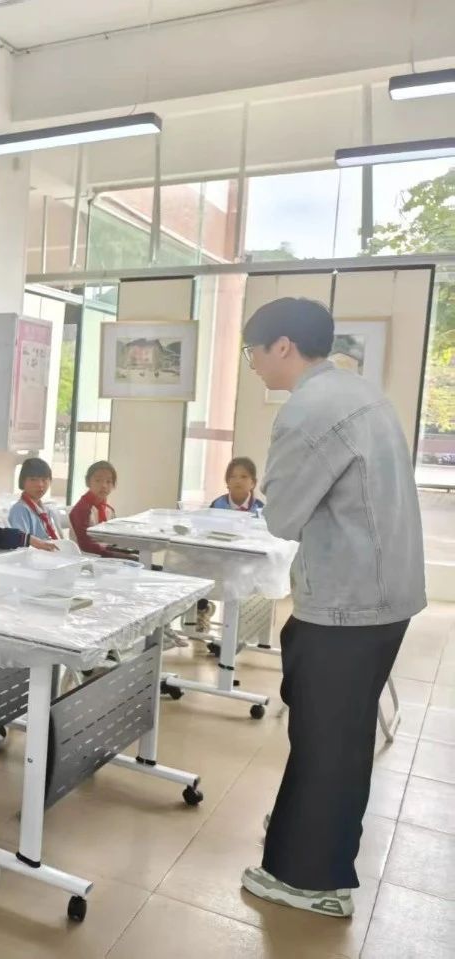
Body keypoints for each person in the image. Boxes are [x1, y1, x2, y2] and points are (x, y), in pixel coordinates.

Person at [238, 297, 424, 918]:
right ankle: (313, 840)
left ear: (283, 347)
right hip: (384, 595)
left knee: (325, 738)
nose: (253, 364)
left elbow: (283, 515)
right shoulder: (359, 391)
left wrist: (272, 493)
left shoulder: (306, 410)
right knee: (340, 733)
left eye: (253, 352)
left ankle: (309, 879)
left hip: (348, 601)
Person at [69, 461, 133, 558]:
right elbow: (85, 545)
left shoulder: (109, 510)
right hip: (85, 557)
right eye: (98, 480)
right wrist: (117, 555)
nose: (104, 485)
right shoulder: (82, 509)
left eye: (108, 482)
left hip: (103, 553)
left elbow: (114, 537)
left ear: (113, 485)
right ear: (88, 482)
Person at [6, 457, 62, 551]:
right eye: (33, 479)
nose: (40, 485)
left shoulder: (47, 510)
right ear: (22, 482)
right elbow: (21, 546)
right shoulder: (19, 510)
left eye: (44, 479)